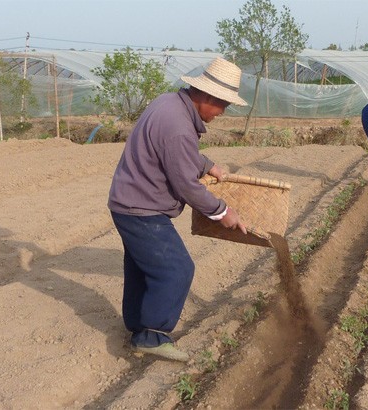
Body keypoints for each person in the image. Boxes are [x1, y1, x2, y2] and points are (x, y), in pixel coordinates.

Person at [108, 57, 248, 362]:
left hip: (128, 201)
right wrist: (223, 212)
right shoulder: (179, 127)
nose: (222, 112)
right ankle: (151, 335)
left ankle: (137, 325)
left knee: (143, 267)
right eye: (223, 105)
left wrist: (208, 165)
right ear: (208, 97)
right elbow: (186, 183)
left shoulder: (168, 103)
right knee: (176, 269)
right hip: (141, 207)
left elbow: (177, 154)